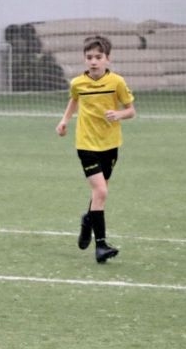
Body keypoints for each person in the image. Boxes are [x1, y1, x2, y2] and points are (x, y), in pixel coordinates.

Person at [56, 35, 136, 263]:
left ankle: (88, 220)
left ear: (107, 59)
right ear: (84, 59)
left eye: (98, 57)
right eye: (89, 57)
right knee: (101, 192)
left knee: (99, 194)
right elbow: (74, 100)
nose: (93, 61)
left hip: (110, 145)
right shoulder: (77, 83)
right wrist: (64, 121)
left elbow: (131, 111)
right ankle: (101, 246)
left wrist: (119, 114)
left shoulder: (117, 82)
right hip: (86, 144)